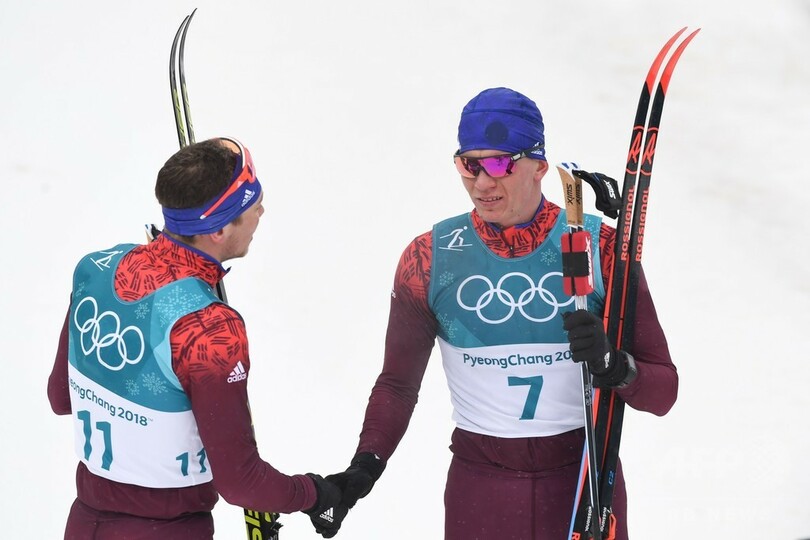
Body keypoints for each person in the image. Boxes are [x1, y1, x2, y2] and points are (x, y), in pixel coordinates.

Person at [320, 88, 678, 539]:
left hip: (581, 489)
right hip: (480, 494)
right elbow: (397, 384)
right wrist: (365, 467)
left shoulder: (600, 248)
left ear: (540, 166)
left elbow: (663, 392)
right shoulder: (429, 259)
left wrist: (614, 365)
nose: (482, 183)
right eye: (469, 164)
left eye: (499, 164)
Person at [47, 137, 342, 539]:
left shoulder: (96, 268)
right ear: (218, 230)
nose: (261, 211)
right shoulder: (210, 329)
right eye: (252, 204)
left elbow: (62, 398)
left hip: (84, 524)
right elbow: (240, 482)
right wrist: (317, 494)